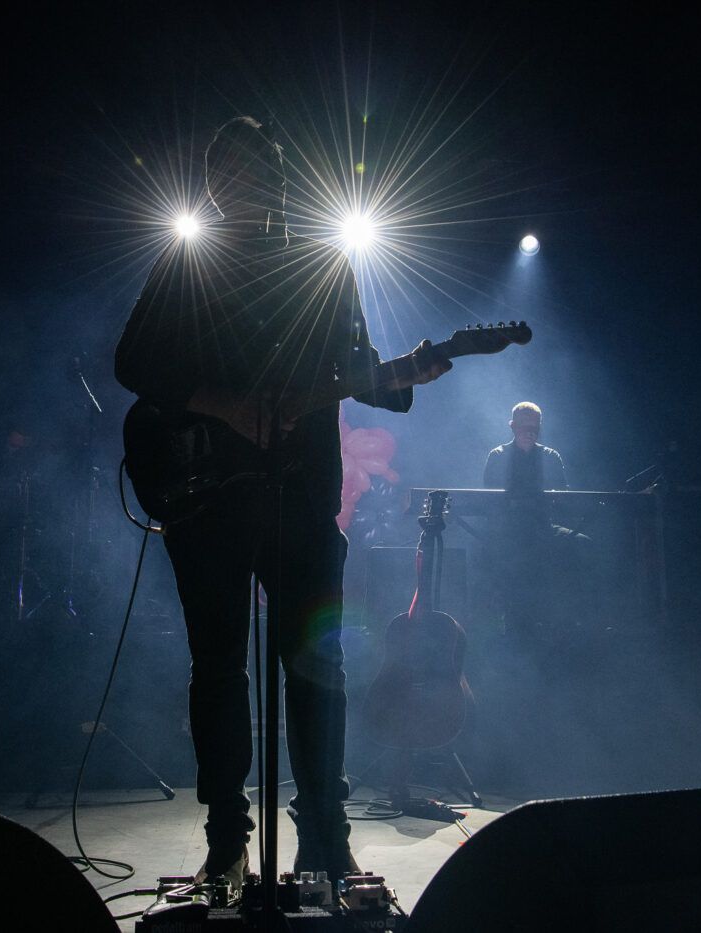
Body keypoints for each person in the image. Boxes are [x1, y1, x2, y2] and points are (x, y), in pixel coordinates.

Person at [114, 116, 449, 890]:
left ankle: (324, 837)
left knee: (319, 663)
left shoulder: (327, 266)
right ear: (211, 185)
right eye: (227, 171)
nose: (244, 183)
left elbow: (358, 369)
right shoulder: (187, 261)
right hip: (205, 498)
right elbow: (132, 359)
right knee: (219, 666)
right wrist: (220, 403)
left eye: (258, 169)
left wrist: (408, 375)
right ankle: (228, 839)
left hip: (301, 496)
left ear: (280, 179)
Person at [481, 401, 588, 642]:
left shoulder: (550, 457)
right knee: (510, 556)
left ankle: (575, 619)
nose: (529, 432)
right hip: (509, 532)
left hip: (543, 528)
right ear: (512, 426)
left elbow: (563, 498)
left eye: (534, 427)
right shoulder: (498, 456)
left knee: (582, 544)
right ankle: (510, 624)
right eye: (523, 426)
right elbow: (489, 501)